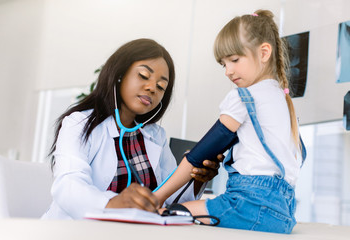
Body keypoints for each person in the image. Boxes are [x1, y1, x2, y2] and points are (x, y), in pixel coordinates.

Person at [154, 10, 306, 234]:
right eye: (223, 64)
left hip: (249, 205)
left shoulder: (244, 97)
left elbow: (200, 154)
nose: (228, 71)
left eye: (234, 60)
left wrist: (156, 197)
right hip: (284, 213)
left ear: (264, 53)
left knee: (168, 213)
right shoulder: (282, 100)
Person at [42, 38, 222, 219]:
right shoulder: (79, 123)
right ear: (119, 74)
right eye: (143, 75)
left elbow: (169, 200)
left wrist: (197, 180)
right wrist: (110, 204)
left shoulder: (155, 136)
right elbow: (68, 185)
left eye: (161, 86)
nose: (152, 88)